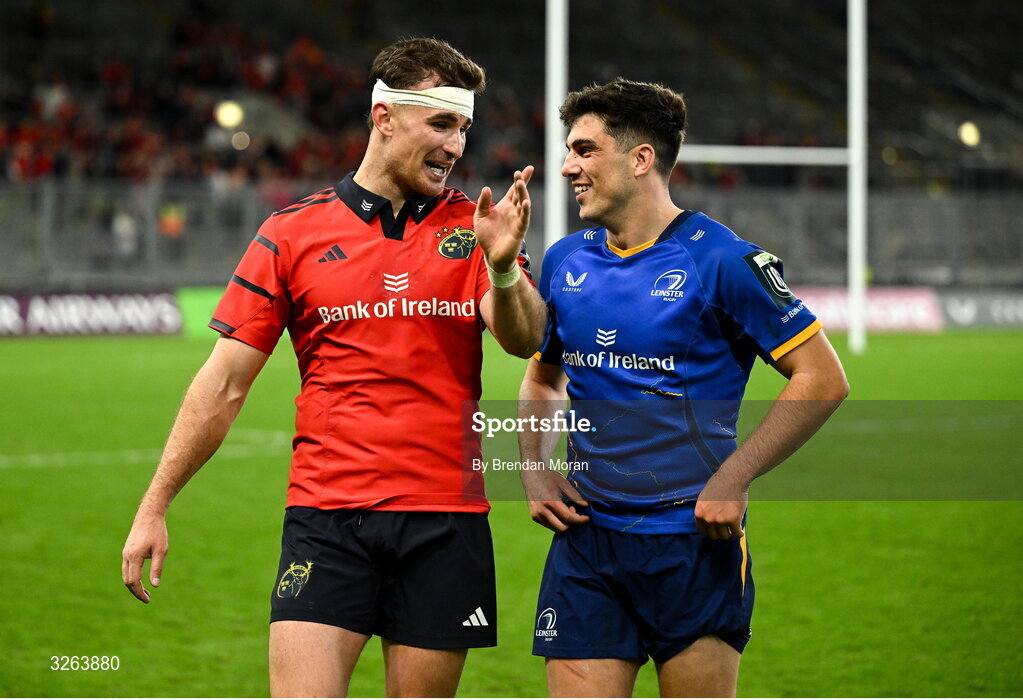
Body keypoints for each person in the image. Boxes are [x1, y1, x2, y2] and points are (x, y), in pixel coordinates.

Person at [122, 38, 546, 698]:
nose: (456, 145)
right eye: (440, 123)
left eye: (463, 127)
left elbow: (523, 341)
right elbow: (224, 384)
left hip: (445, 522)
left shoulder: (477, 226)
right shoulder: (290, 233)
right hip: (327, 518)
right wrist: (155, 504)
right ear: (383, 117)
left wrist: (499, 265)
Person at [518, 78, 848, 697]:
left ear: (641, 159)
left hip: (691, 543)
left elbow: (824, 378)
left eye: (585, 150)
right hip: (586, 541)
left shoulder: (722, 260)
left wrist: (734, 476)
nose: (567, 167)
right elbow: (542, 374)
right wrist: (533, 466)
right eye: (569, 150)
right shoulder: (566, 258)